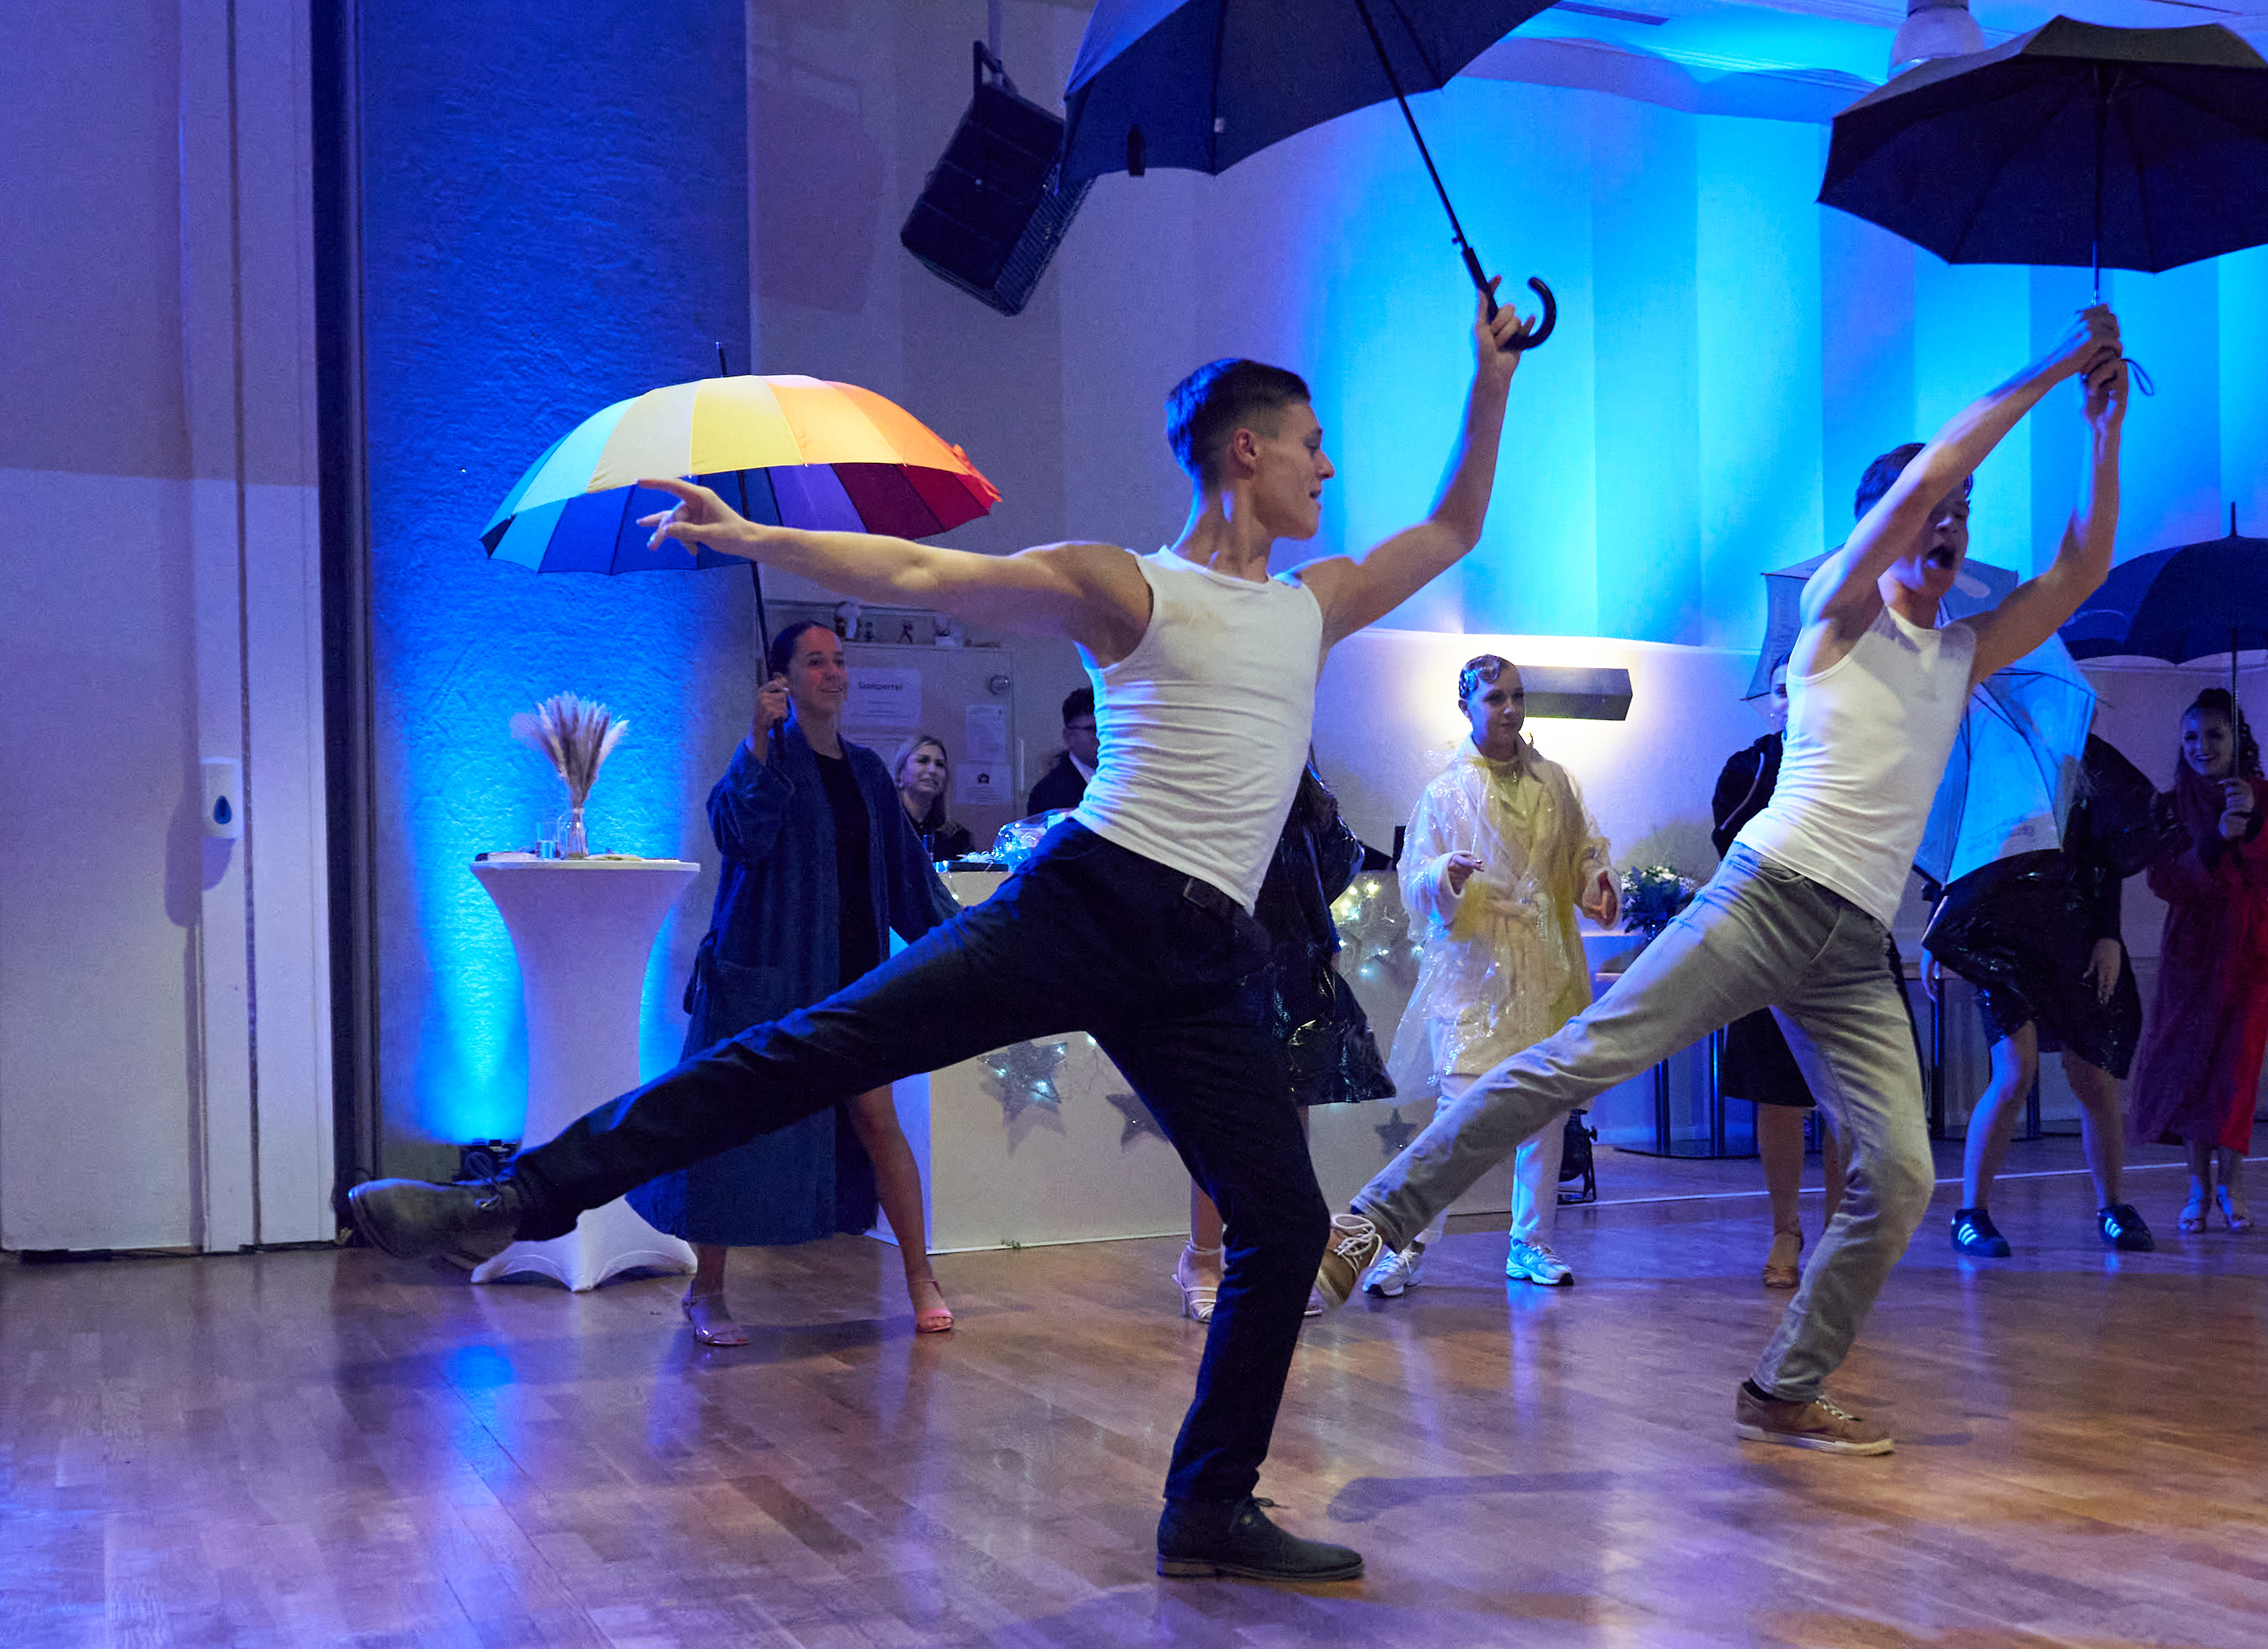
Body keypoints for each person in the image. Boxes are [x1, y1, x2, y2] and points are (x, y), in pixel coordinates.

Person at [347, 289, 1536, 1584]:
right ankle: (514, 1198)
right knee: (809, 1049)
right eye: (1311, 442)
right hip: (1090, 903)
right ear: (1244, 450)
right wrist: (753, 533)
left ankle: (1208, 1509)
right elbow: (924, 575)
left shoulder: (1313, 602)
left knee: (1283, 1224)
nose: (1327, 467)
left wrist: (1491, 379)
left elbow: (1454, 527)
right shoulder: (1129, 586)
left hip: (1205, 959)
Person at [1321, 308, 2130, 1460]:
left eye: (1964, 516)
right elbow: (1931, 471)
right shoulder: (1835, 615)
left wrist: (2100, 431)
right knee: (1577, 1060)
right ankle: (1369, 1224)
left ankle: (1783, 1387)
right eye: (1933, 511)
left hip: (1853, 942)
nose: (1951, 524)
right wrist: (2052, 363)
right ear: (1878, 531)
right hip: (1766, 896)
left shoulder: (1959, 652)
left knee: (1902, 1173)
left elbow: (2078, 568)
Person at [632, 622, 958, 1342]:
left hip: (854, 982)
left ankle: (920, 1277)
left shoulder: (868, 772)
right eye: (816, 661)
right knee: (730, 1123)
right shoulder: (764, 758)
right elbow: (739, 835)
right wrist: (759, 739)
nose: (834, 673)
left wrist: (973, 940)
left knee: (878, 1120)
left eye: (839, 660)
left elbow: (909, 880)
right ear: (780, 678)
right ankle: (707, 1291)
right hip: (767, 980)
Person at [1362, 655, 1616, 1298]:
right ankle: (1409, 1243)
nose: (1509, 709)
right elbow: (1415, 879)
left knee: (1545, 1112)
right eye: (1495, 697)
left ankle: (1531, 1240)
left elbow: (1583, 851)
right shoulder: (1444, 793)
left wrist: (1597, 882)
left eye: (1517, 696)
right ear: (1467, 707)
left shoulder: (1555, 782)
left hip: (1545, 965)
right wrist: (1443, 875)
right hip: (1473, 970)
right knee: (1459, 1116)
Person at [1172, 761, 1395, 1323]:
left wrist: (1316, 936)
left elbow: (1336, 857)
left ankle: (1279, 1264)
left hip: (1293, 962)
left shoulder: (1298, 782)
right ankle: (1203, 1259)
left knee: (1288, 1122)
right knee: (1220, 1119)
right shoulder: (1209, 771)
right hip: (1220, 959)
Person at [1940, 730, 2166, 1259]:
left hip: (2073, 936)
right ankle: (1971, 1213)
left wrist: (2108, 935)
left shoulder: (2084, 766)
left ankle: (2113, 1207)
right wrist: (1941, 926)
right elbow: (1959, 853)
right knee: (2014, 1073)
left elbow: (2107, 857)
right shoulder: (1990, 767)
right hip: (2003, 940)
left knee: (2092, 1077)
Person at [2127, 689, 2268, 1233]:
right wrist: (2213, 843)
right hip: (2191, 949)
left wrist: (2251, 823)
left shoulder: (2266, 796)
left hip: (2247, 948)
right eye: (2191, 737)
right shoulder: (2168, 805)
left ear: (2236, 739)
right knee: (2188, 1063)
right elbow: (2162, 879)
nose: (2202, 746)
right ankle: (2197, 1186)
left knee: (2235, 1067)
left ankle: (2232, 1186)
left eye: (2215, 735)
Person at [1709, 681, 1846, 1290]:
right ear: (1771, 702)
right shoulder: (1751, 765)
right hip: (1771, 939)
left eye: (1805, 688)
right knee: (1778, 1094)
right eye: (1783, 690)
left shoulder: (1850, 765)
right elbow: (1731, 844)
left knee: (1846, 1100)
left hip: (1839, 941)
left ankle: (1840, 1235)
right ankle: (1785, 1229)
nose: (1793, 699)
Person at [895, 732, 976, 863]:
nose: (932, 770)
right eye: (923, 761)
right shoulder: (881, 829)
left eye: (940, 764)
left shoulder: (958, 838)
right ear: (900, 774)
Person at [1026, 687, 1099, 816]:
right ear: (1069, 736)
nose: (1102, 736)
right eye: (1094, 729)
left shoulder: (1123, 778)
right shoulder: (1048, 792)